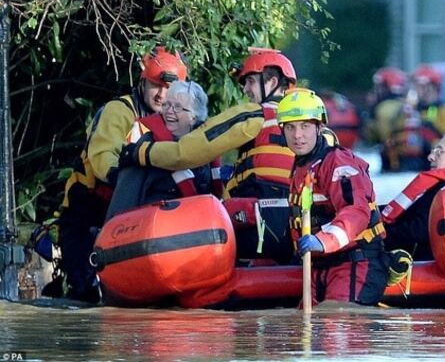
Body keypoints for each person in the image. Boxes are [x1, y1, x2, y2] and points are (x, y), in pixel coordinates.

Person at [120, 48, 299, 264]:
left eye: (250, 82)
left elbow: (184, 152)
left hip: (257, 227)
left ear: (271, 82)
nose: (245, 90)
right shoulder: (312, 126)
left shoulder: (255, 115)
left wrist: (140, 152)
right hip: (296, 229)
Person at [51, 45, 188, 302]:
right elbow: (103, 156)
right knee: (84, 294)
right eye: (156, 86)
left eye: (169, 89)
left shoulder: (179, 121)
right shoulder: (120, 111)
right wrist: (123, 179)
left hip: (135, 218)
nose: (162, 95)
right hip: (89, 212)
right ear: (142, 83)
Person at [277, 88, 389, 306]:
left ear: (319, 127)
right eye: (290, 127)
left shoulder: (338, 163)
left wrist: (322, 241)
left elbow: (356, 211)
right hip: (319, 265)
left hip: (354, 262)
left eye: (305, 126)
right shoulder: (301, 167)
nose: (297, 135)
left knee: (335, 324)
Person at [107, 80, 223, 219]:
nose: (169, 111)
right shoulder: (145, 145)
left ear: (194, 117)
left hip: (199, 226)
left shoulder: (207, 147)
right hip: (155, 227)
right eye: (167, 104)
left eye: (178, 107)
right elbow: (124, 198)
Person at [381, 133, 445, 260]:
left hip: (423, 265)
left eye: (439, 151)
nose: (430, 157)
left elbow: (416, 231)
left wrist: (374, 237)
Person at [384, 65, 445, 171]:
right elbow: (391, 134)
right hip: (405, 164)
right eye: (416, 85)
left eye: (420, 86)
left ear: (432, 87)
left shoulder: (444, 111)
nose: (416, 89)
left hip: (432, 166)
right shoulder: (410, 110)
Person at [364, 67, 407, 171]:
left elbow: (380, 138)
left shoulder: (383, 109)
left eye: (379, 87)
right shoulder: (406, 103)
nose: (376, 91)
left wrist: (369, 116)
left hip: (395, 162)